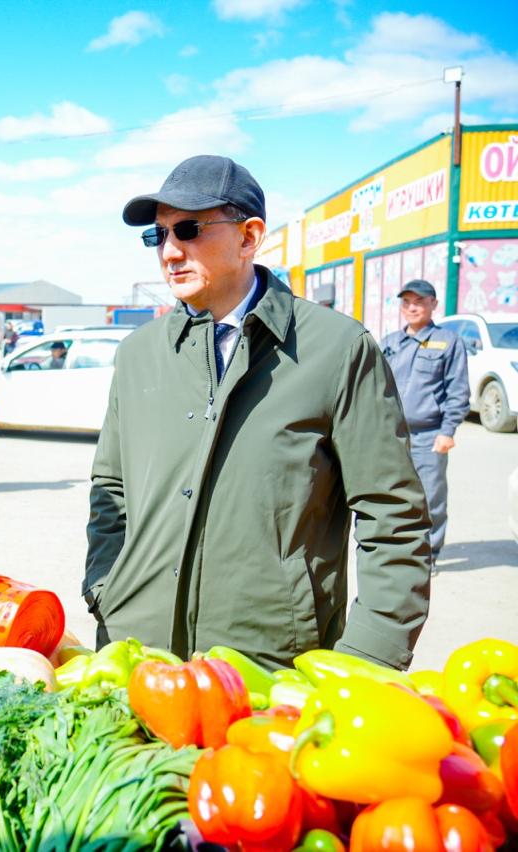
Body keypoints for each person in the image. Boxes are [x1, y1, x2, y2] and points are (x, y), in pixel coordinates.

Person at [83, 154, 432, 671]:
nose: (170, 252)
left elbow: (393, 517)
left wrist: (368, 658)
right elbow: (110, 490)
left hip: (270, 670)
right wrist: (105, 590)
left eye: (189, 229)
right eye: (158, 235)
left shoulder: (337, 349)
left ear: (249, 237)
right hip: (136, 660)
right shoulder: (138, 355)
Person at [381, 280, 470, 570]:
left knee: (430, 497)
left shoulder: (448, 342)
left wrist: (447, 431)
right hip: (390, 434)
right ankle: (393, 549)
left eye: (419, 302)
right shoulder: (390, 343)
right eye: (406, 302)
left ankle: (428, 555)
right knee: (389, 494)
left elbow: (457, 391)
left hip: (429, 434)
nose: (412, 308)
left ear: (433, 304)